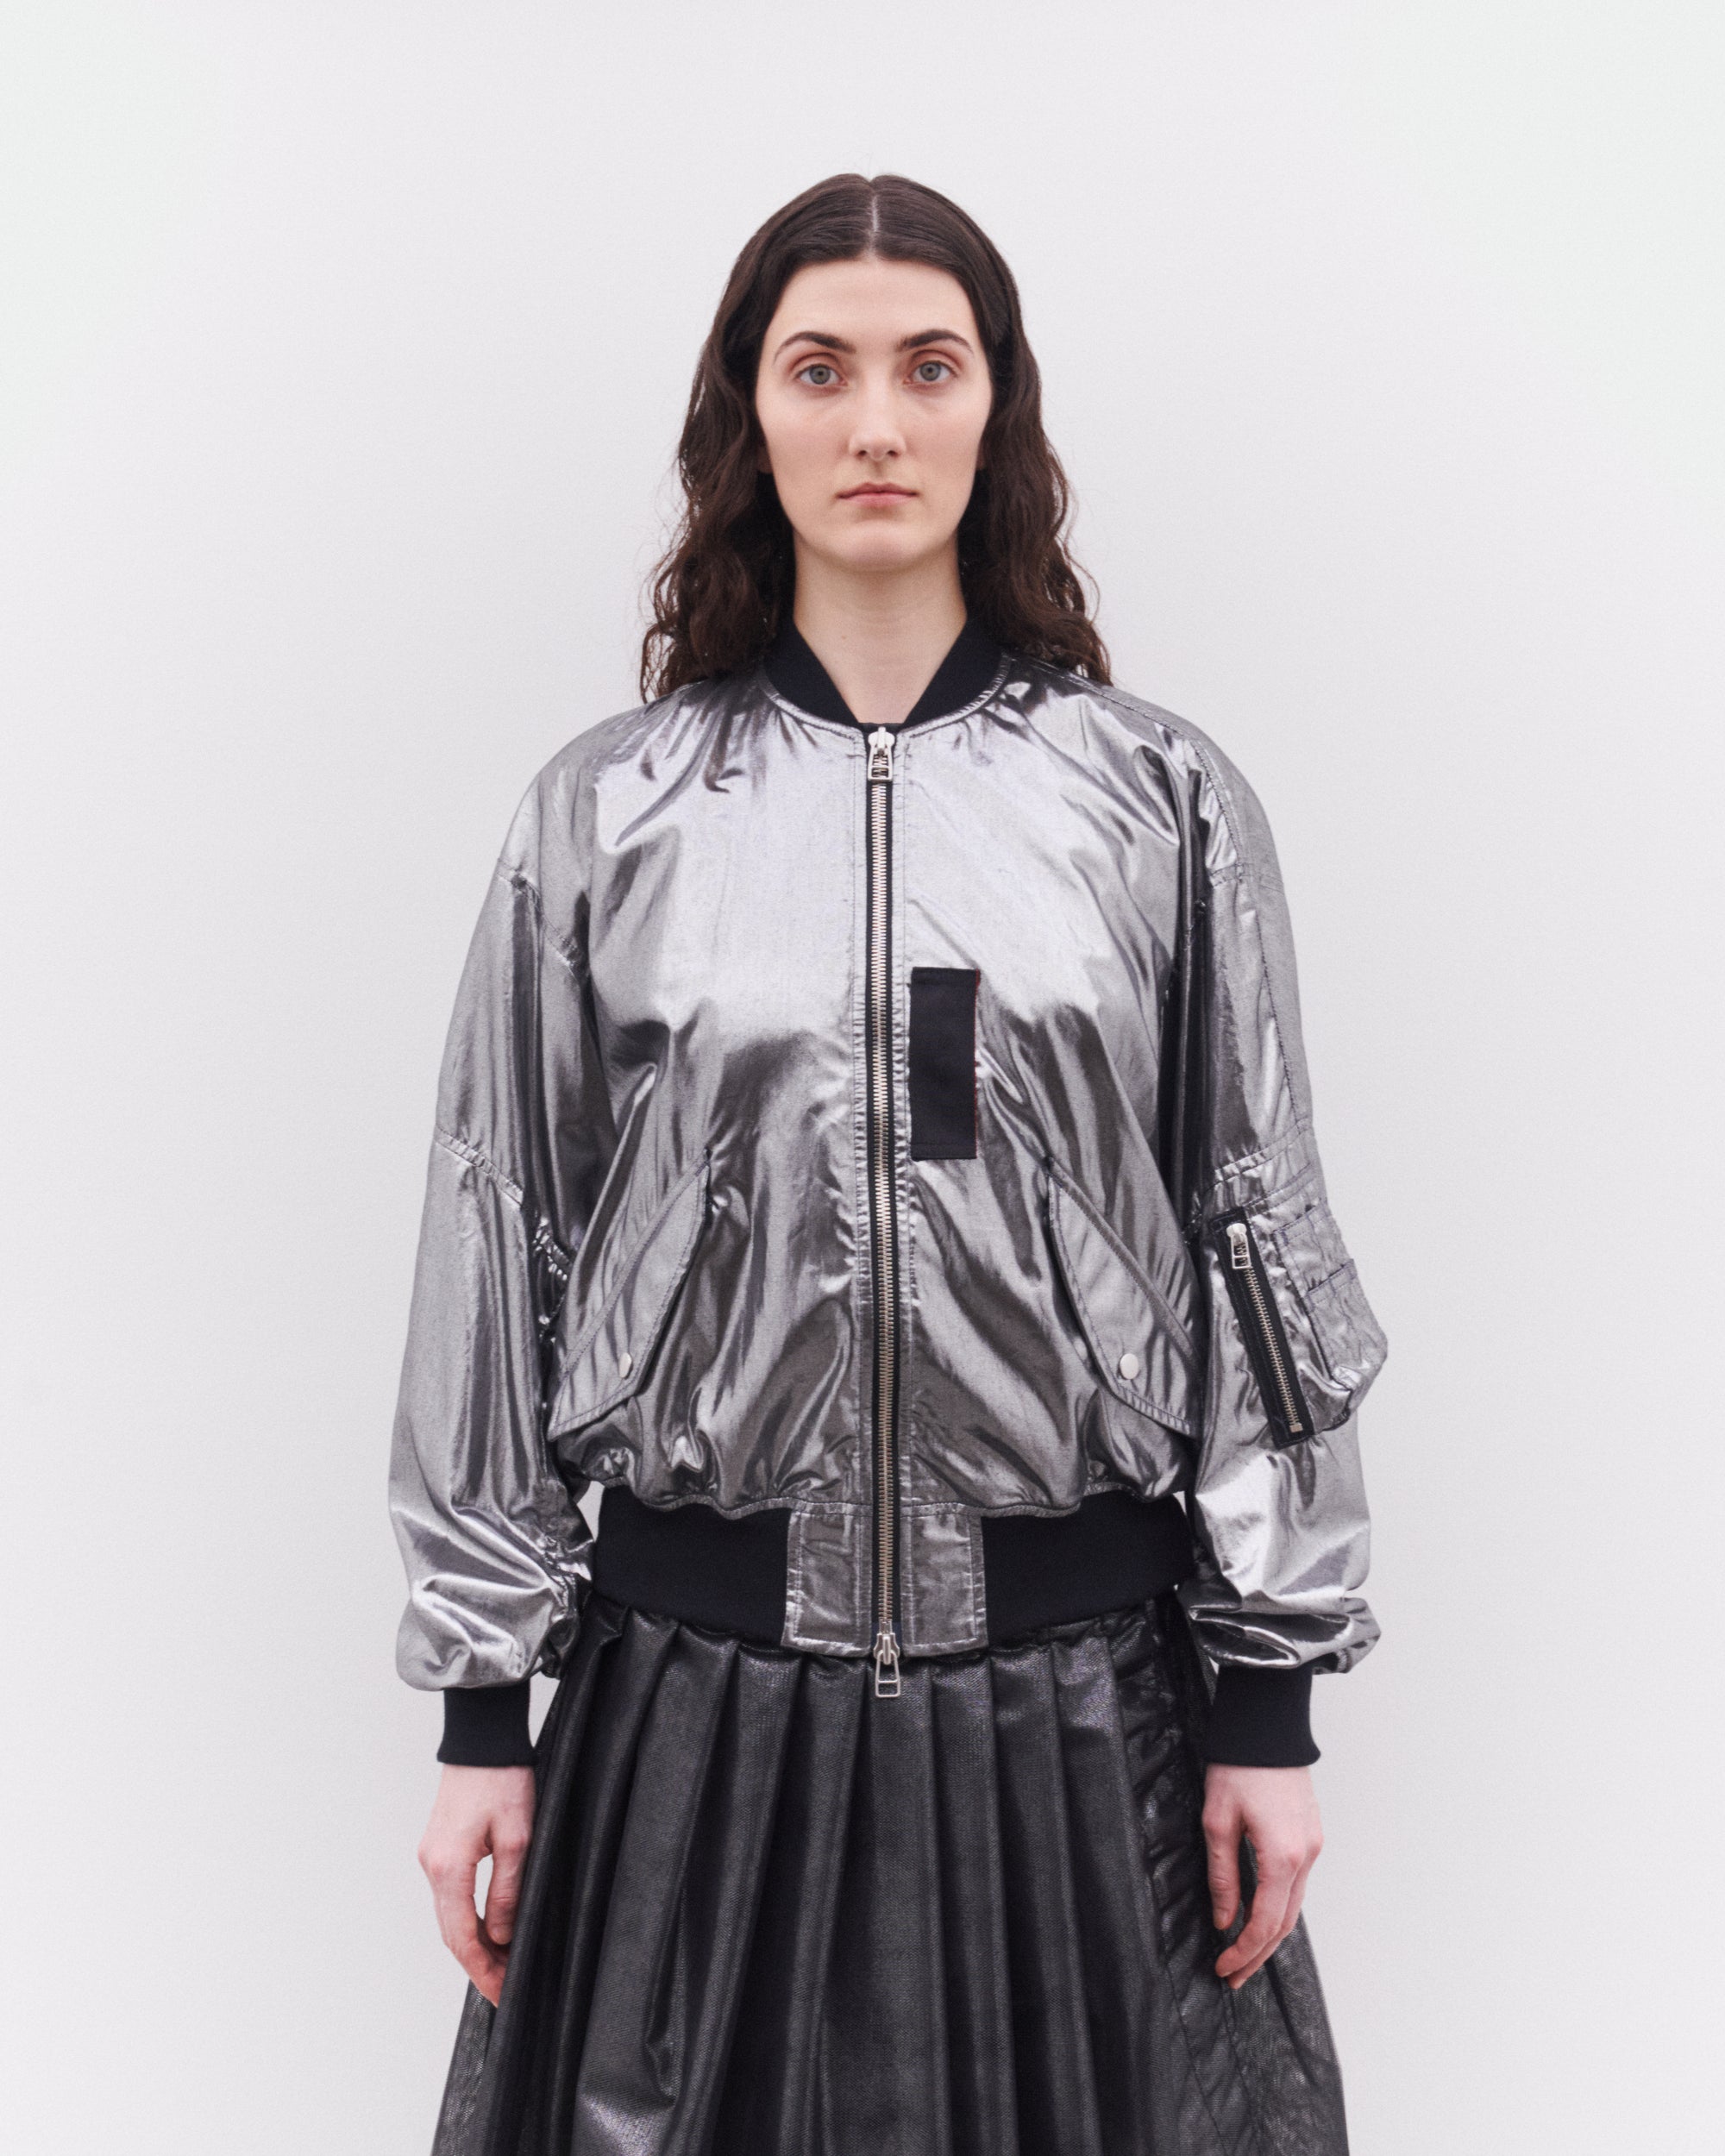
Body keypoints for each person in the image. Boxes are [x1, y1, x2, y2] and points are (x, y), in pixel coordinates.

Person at [389, 172, 1387, 2156]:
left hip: (1079, 1703)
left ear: (995, 407)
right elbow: (496, 1245)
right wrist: (482, 1711)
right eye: (819, 368)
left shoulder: (1155, 805)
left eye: (928, 367)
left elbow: (1252, 1231)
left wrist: (1266, 1703)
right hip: (696, 1696)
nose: (874, 422)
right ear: (747, 412)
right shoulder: (609, 818)